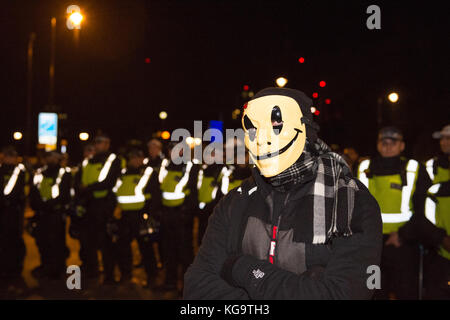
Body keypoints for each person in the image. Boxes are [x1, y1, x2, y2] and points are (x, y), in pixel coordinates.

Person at [184, 87, 382, 299]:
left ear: (306, 129)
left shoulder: (351, 202)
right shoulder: (236, 201)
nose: (261, 139)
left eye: (276, 124)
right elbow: (197, 288)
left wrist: (244, 269)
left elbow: (343, 293)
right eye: (252, 129)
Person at [358, 126, 430, 299]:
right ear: (377, 144)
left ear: (402, 145)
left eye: (393, 142)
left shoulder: (414, 168)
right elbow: (356, 206)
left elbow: (424, 209)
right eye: (384, 142)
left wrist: (403, 235)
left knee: (405, 292)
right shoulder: (364, 167)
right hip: (373, 248)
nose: (388, 146)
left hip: (403, 245)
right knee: (373, 292)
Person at [73, 134, 122, 284]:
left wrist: (87, 188)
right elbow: (77, 182)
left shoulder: (113, 160)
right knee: (88, 242)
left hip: (104, 206)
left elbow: (108, 182)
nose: (98, 145)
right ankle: (91, 270)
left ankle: (109, 276)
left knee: (106, 243)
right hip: (89, 206)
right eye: (97, 142)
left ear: (108, 144)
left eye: (101, 142)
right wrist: (84, 191)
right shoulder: (87, 162)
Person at [113, 149, 161, 287]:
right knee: (123, 247)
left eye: (137, 157)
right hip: (125, 216)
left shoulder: (149, 172)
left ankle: (152, 276)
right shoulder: (122, 173)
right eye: (132, 157)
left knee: (146, 248)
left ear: (142, 158)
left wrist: (150, 214)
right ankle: (125, 274)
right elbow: (116, 192)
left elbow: (155, 195)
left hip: (141, 215)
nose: (134, 160)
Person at [158, 142, 199, 293]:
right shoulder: (166, 166)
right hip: (167, 215)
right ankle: (170, 282)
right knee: (169, 252)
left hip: (182, 216)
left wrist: (186, 212)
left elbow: (193, 191)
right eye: (170, 149)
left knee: (185, 253)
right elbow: (159, 189)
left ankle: (188, 287)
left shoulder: (190, 166)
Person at [29, 151, 72, 279]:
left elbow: (65, 194)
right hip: (42, 213)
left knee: (57, 242)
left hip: (56, 213)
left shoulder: (64, 173)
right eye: (47, 156)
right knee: (42, 241)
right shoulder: (39, 173)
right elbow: (33, 192)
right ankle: (45, 265)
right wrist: (38, 205)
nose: (49, 159)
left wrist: (50, 205)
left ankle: (57, 268)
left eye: (52, 156)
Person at [422, 124, 450, 299]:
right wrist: (439, 237)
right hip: (441, 245)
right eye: (442, 138)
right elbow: (424, 204)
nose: (444, 142)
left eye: (448, 138)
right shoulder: (432, 166)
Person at [0, 147, 27, 292]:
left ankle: (14, 271)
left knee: (14, 241)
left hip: (14, 212)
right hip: (4, 211)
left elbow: (21, 191)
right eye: (7, 156)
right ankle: (5, 270)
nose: (9, 159)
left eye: (12, 156)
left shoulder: (20, 172)